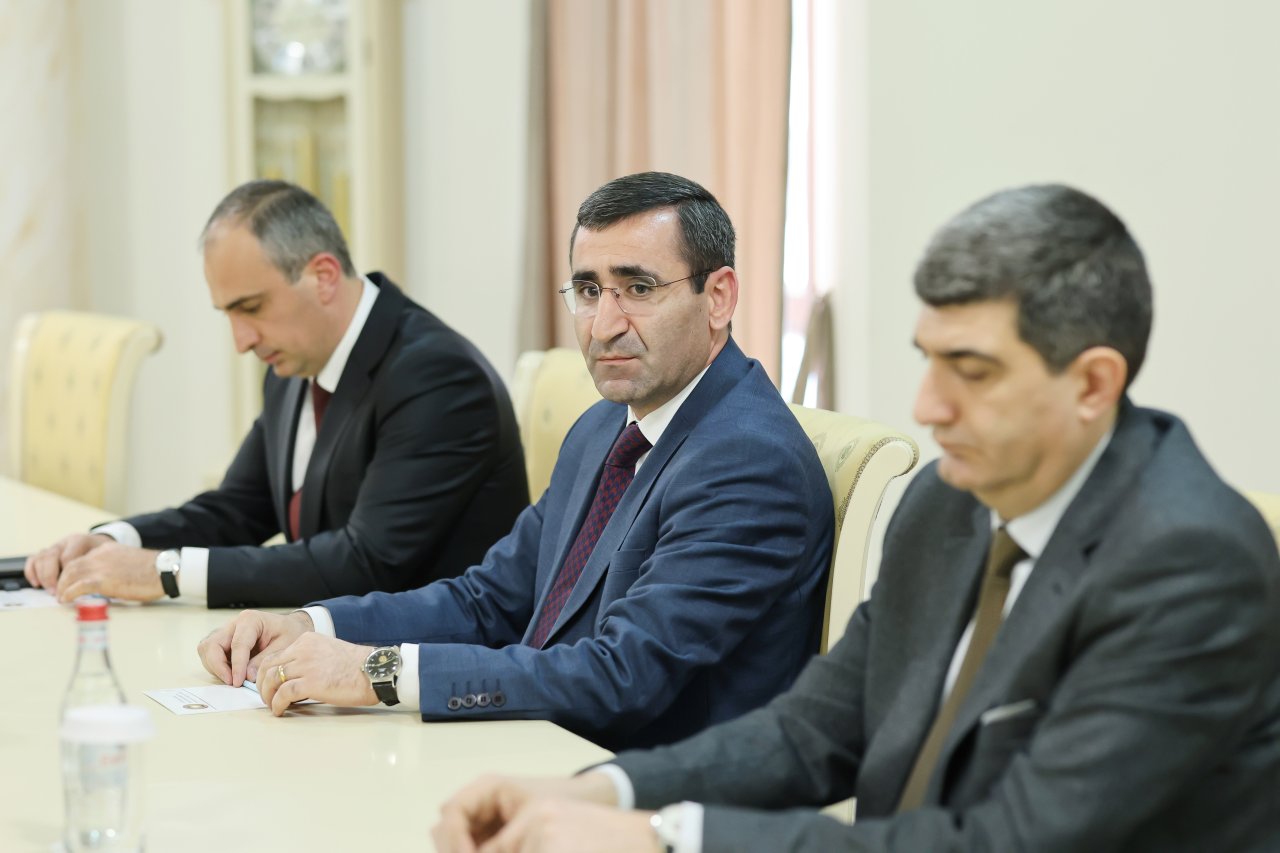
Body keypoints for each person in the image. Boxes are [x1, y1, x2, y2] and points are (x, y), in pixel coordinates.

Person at [431, 184, 1280, 853]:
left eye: (972, 371)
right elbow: (812, 731)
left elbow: (1007, 841)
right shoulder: (948, 502)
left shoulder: (1191, 562)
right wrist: (596, 790)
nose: (928, 407)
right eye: (928, 361)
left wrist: (662, 836)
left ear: (1093, 384)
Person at [196, 171, 834, 752]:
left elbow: (622, 675)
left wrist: (376, 672)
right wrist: (311, 624)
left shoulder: (748, 461)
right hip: (536, 747)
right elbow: (486, 601)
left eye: (638, 288)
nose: (603, 325)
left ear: (718, 297)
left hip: (643, 794)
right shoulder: (603, 428)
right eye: (588, 290)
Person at [25, 180, 528, 608]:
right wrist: (115, 541)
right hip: (329, 648)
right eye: (228, 314)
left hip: (431, 665)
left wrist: (165, 572)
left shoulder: (438, 377)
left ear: (322, 277)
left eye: (251, 308)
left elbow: (366, 563)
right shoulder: (294, 360)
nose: (241, 341)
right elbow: (239, 508)